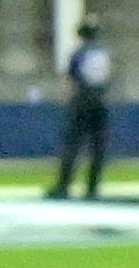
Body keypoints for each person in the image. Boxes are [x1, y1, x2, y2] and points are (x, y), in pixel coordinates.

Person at [48, 20, 112, 200]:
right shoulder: (104, 53)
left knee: (73, 143)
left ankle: (63, 186)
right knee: (98, 145)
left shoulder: (80, 53)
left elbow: (73, 76)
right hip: (101, 100)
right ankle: (92, 188)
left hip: (83, 99)